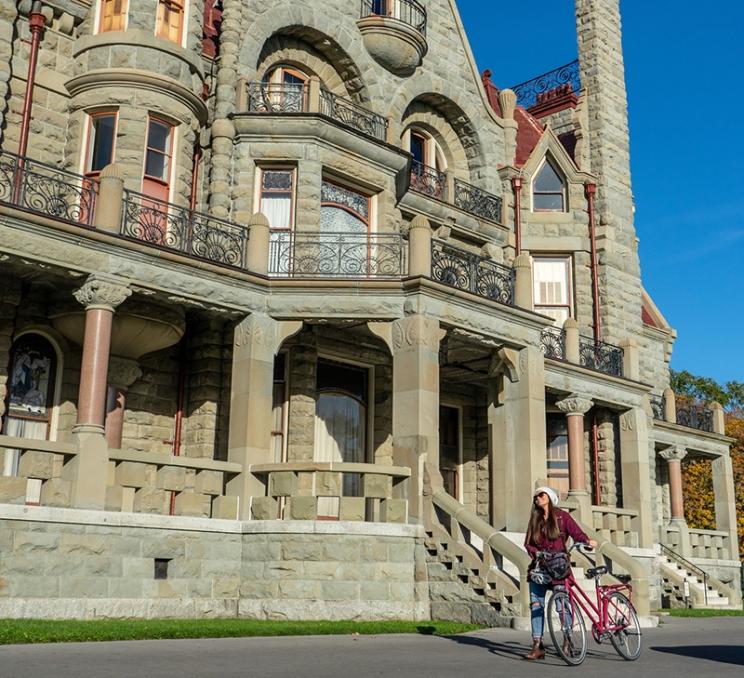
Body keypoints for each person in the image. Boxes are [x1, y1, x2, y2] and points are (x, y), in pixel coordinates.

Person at [523, 486, 597, 661]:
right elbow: (528, 544)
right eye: (535, 497)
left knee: (562, 606)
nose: (537, 498)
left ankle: (567, 639)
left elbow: (576, 532)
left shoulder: (562, 517)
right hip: (539, 568)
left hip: (558, 568)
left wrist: (586, 541)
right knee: (536, 606)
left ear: (550, 497)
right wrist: (536, 553)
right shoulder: (535, 519)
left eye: (541, 495)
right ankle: (537, 645)